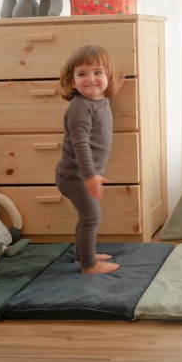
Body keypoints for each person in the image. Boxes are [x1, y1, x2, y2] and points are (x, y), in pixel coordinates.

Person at [55, 44, 125, 274]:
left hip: (81, 175)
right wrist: (89, 175)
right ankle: (89, 265)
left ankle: (82, 256)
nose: (91, 79)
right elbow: (80, 144)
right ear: (72, 81)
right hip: (75, 176)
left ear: (109, 76)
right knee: (91, 217)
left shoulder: (100, 100)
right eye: (82, 74)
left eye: (98, 72)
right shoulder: (80, 107)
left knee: (86, 217)